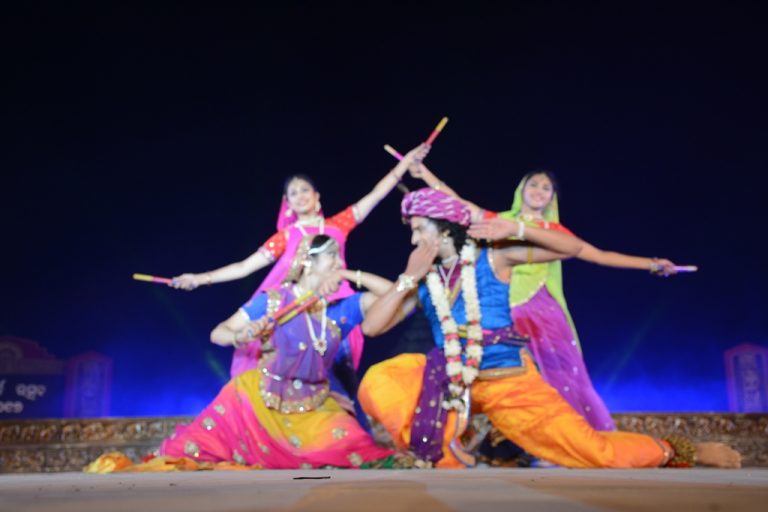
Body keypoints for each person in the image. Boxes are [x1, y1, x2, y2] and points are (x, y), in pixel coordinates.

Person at [356, 188, 740, 469]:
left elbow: (569, 249)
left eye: (419, 228)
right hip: (451, 381)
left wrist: (517, 229)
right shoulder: (423, 281)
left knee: (592, 451)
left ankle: (676, 450)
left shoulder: (495, 258)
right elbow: (372, 328)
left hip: (508, 379)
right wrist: (408, 278)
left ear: (443, 229)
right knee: (379, 380)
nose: (413, 238)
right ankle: (447, 452)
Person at [86, 234, 435, 473]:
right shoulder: (275, 301)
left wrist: (349, 273)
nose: (337, 262)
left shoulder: (341, 310)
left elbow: (398, 297)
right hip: (256, 400)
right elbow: (218, 332)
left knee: (357, 447)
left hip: (314, 405)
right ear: (309, 263)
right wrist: (241, 337)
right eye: (332, 257)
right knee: (189, 451)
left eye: (339, 259)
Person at [410, 166, 677, 430]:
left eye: (546, 188)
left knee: (561, 377)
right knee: (511, 381)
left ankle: (580, 438)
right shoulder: (497, 221)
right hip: (499, 315)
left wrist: (650, 264)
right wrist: (424, 174)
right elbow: (456, 203)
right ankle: (520, 444)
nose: (539, 191)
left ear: (552, 198)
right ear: (521, 190)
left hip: (540, 314)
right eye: (533, 185)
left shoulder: (554, 232)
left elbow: (600, 255)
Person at [171, 144, 430, 378]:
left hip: (337, 307)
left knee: (338, 373)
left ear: (317, 197)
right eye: (293, 193)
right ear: (288, 204)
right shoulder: (286, 237)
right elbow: (243, 267)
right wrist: (198, 278)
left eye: (305, 190)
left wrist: (405, 163)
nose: (300, 195)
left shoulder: (338, 225)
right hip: (297, 309)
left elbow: (376, 194)